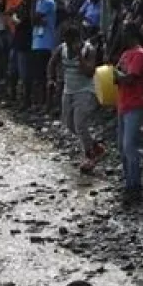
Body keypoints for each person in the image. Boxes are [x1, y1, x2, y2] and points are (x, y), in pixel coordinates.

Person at [51, 23, 100, 173]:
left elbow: (89, 72)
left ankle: (89, 156)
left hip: (85, 90)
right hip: (68, 90)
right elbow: (51, 62)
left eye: (70, 41)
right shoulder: (62, 48)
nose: (67, 44)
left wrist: (79, 55)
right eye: (65, 41)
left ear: (77, 39)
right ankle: (95, 146)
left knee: (80, 124)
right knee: (69, 123)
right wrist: (50, 79)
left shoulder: (88, 50)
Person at [113, 23, 143, 201]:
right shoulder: (125, 54)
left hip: (134, 104)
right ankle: (128, 183)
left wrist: (117, 75)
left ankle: (135, 186)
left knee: (130, 146)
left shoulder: (140, 54)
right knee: (122, 146)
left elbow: (129, 78)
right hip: (123, 104)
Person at [28, 0, 58, 111]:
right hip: (37, 42)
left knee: (44, 76)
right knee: (38, 75)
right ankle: (39, 103)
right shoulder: (39, 1)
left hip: (45, 43)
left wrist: (32, 1)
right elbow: (34, 21)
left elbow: (34, 19)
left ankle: (47, 104)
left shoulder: (48, 2)